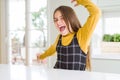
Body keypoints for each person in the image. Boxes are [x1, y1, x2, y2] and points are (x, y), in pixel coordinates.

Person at [37, 0, 101, 71]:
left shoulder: (81, 36)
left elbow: (96, 13)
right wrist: (41, 56)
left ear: (71, 18)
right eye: (55, 20)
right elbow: (52, 50)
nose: (58, 22)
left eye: (62, 18)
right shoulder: (59, 38)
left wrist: (81, 1)